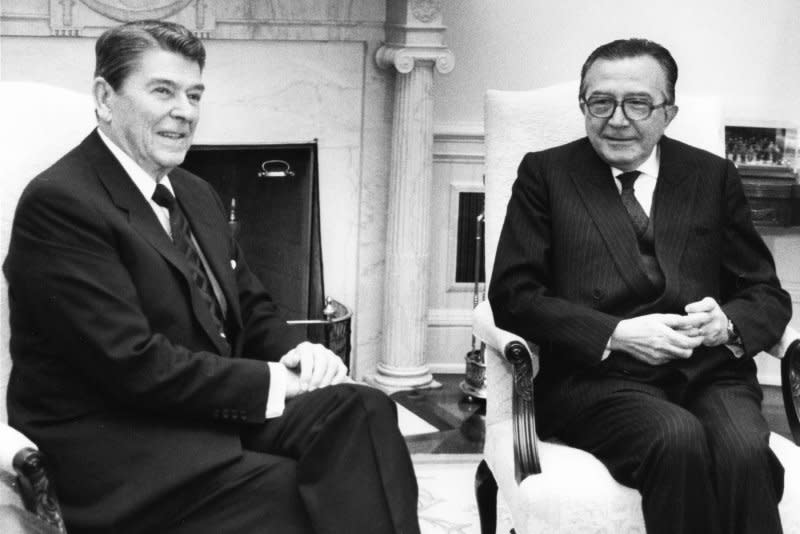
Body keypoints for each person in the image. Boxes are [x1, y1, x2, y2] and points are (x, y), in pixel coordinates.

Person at [4, 20, 419, 534]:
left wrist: (301, 354)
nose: (185, 111)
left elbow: (254, 309)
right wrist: (275, 382)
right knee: (305, 493)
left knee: (362, 410)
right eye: (163, 91)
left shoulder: (195, 193)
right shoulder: (62, 204)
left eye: (194, 94)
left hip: (201, 419)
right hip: (120, 450)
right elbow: (131, 365)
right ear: (105, 97)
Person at [489, 38, 790, 534]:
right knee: (676, 438)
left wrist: (727, 324)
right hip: (596, 378)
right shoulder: (545, 175)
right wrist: (616, 333)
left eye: (639, 103)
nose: (618, 119)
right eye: (601, 102)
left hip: (708, 374)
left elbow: (765, 293)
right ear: (584, 106)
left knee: (743, 453)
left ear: (668, 112)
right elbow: (513, 296)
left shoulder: (711, 176)